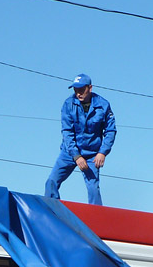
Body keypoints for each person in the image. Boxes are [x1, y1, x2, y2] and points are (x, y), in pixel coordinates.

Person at [45, 73, 116, 206]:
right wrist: (76, 156)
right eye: (75, 90)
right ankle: (51, 212)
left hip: (91, 155)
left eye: (81, 90)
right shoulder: (68, 104)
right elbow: (67, 132)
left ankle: (96, 219)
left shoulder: (103, 105)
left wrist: (102, 152)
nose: (78, 93)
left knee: (93, 189)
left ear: (90, 88)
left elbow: (111, 130)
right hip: (69, 152)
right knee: (51, 182)